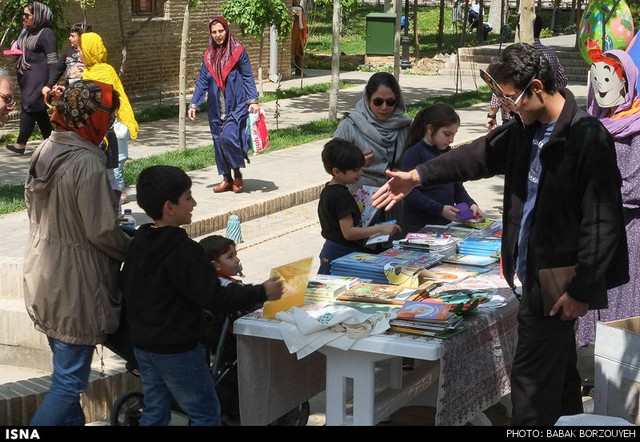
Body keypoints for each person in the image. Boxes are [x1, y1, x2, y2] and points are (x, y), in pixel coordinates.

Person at [370, 42, 629, 426]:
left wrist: (581, 290)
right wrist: (418, 176)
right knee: (559, 381)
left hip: (555, 286)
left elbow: (601, 221)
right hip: (530, 278)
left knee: (529, 395)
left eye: (511, 98)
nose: (508, 107)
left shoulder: (586, 137)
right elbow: (478, 155)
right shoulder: (526, 129)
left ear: (537, 88)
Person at [118, 165, 283, 426]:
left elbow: (126, 285)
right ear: (169, 207)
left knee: (155, 410)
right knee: (205, 413)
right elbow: (215, 298)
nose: (194, 203)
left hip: (143, 345)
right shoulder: (185, 250)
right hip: (177, 349)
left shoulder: (139, 241)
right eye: (188, 197)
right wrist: (261, 292)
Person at [23, 80, 132, 425]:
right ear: (90, 116)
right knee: (69, 383)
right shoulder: (87, 162)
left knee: (65, 377)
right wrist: (133, 249)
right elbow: (101, 230)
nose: (109, 122)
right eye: (107, 115)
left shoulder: (46, 148)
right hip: (75, 287)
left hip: (44, 276)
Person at [578, 48, 640, 385]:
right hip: (595, 227)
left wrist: (596, 189)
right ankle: (598, 371)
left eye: (609, 79)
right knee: (595, 296)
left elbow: (635, 185)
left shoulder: (637, 127)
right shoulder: (589, 124)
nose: (602, 87)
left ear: (626, 82)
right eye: (597, 79)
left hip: (629, 230)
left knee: (623, 300)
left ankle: (621, 376)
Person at [188, 16, 260, 194]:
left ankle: (237, 173)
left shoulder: (238, 52)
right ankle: (226, 178)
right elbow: (202, 81)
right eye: (214, 32)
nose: (218, 35)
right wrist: (194, 104)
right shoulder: (208, 56)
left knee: (229, 137)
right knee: (218, 141)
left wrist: (253, 101)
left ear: (227, 31)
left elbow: (248, 76)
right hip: (216, 105)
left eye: (221, 31)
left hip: (236, 103)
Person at [333, 72, 412, 224]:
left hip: (394, 202)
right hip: (360, 203)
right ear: (367, 98)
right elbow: (332, 161)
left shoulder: (405, 126)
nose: (384, 107)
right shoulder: (350, 124)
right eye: (378, 101)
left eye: (390, 102)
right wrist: (355, 162)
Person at [317, 138, 402, 275]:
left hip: (331, 251)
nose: (360, 173)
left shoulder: (329, 190)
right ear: (336, 171)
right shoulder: (341, 195)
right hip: (342, 255)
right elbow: (349, 232)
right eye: (355, 170)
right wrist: (380, 229)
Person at [198, 234, 256, 425]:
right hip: (227, 344)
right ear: (215, 265)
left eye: (236, 254)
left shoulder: (203, 282)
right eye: (230, 257)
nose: (237, 260)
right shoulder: (226, 287)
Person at [399, 103, 483, 232]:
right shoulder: (413, 154)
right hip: (417, 227)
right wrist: (440, 209)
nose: (451, 140)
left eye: (454, 134)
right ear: (430, 129)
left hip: (443, 226)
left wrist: (470, 204)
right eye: (447, 134)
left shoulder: (449, 154)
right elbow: (409, 193)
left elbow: (457, 187)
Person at [80, 31, 139, 214]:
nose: (79, 53)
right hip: (91, 134)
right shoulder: (86, 72)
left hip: (106, 133)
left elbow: (106, 103)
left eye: (81, 50)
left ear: (90, 51)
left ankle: (115, 211)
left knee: (111, 173)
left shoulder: (104, 72)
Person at [486, 15, 567, 130]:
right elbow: (562, 81)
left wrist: (492, 114)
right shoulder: (551, 55)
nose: (510, 105)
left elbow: (500, 88)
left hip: (514, 120)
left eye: (511, 98)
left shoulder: (515, 57)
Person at [5, 2, 57, 156]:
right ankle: (53, 142)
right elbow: (24, 50)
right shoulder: (26, 32)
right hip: (26, 79)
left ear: (38, 16)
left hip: (38, 80)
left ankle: (20, 144)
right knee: (38, 111)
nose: (24, 17)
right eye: (23, 14)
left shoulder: (46, 34)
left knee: (28, 106)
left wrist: (50, 84)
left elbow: (52, 61)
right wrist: (15, 47)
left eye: (27, 15)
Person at [53, 23, 88, 87]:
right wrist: (49, 85)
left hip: (85, 86)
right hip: (69, 86)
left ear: (81, 37)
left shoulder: (89, 54)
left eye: (73, 36)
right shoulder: (68, 52)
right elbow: (58, 70)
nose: (69, 38)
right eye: (70, 36)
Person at [291, 0, 308, 76]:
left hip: (299, 34)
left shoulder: (300, 9)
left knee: (299, 51)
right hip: (292, 34)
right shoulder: (292, 9)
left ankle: (299, 71)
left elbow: (302, 23)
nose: (297, 1)